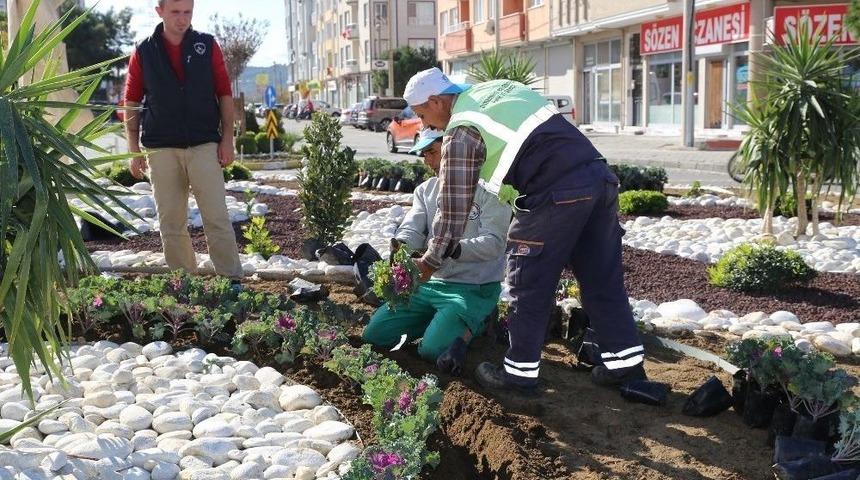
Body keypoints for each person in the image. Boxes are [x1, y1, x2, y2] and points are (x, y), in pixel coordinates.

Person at [403, 68, 646, 396]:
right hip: (598, 180)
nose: (426, 126)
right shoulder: (500, 90)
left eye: (423, 115)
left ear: (436, 101)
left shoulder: (462, 130)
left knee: (527, 282)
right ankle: (626, 367)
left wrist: (430, 262)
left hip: (552, 193)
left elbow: (453, 207)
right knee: (602, 279)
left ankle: (518, 374)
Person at [362, 129, 511, 373]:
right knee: (375, 335)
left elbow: (494, 244)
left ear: (454, 149)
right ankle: (438, 321)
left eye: (431, 152)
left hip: (473, 287)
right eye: (423, 154)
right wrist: (400, 247)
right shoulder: (426, 190)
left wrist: (448, 250)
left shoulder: (491, 192)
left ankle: (480, 320)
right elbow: (412, 227)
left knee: (431, 351)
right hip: (428, 282)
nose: (427, 161)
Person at [124, 0, 243, 285]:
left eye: (187, 12)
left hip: (204, 144)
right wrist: (133, 149)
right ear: (160, 12)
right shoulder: (143, 52)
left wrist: (228, 138)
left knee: (216, 216)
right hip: (161, 147)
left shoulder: (207, 45)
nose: (182, 19)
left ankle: (232, 281)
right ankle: (184, 283)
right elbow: (131, 101)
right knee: (171, 222)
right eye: (175, 12)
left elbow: (224, 93)